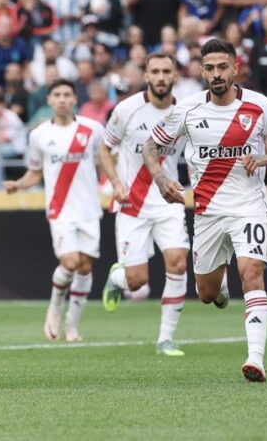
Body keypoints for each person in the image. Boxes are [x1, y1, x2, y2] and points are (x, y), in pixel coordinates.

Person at [144, 39, 267, 381]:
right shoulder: (187, 108)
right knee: (206, 294)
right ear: (201, 71)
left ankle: (255, 359)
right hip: (208, 212)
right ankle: (220, 280)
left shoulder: (260, 106)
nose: (217, 74)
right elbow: (151, 144)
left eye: (223, 67)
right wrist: (159, 177)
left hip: (249, 206)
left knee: (252, 273)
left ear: (235, 67)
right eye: (210, 68)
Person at [99, 52, 191, 357]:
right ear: (147, 76)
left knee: (177, 260)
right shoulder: (126, 110)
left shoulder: (187, 112)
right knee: (137, 282)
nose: (162, 76)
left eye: (167, 71)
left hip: (168, 201)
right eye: (156, 71)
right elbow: (104, 148)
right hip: (132, 203)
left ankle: (166, 338)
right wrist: (115, 182)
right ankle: (116, 277)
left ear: (175, 75)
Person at [4, 79, 105, 342]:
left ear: (74, 99)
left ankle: (72, 325)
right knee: (69, 262)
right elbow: (35, 172)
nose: (62, 99)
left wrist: (114, 183)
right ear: (49, 100)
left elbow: (105, 160)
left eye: (66, 94)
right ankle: (54, 310)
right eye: (57, 95)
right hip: (60, 209)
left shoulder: (92, 129)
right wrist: (18, 184)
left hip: (89, 208)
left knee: (84, 268)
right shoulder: (39, 135)